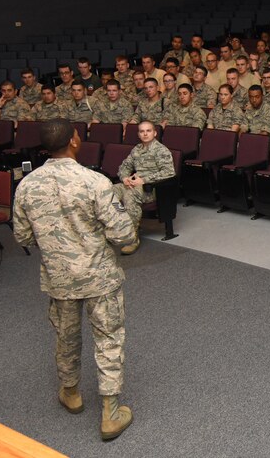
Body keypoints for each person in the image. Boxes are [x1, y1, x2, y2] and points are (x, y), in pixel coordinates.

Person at [12, 119, 136, 440]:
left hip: (60, 279)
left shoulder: (27, 185)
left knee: (66, 337)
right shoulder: (94, 182)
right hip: (99, 277)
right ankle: (110, 412)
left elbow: (22, 237)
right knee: (108, 338)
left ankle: (71, 393)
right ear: (74, 141)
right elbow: (124, 234)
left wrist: (54, 244)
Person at [113, 121, 175, 254]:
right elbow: (125, 166)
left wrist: (144, 180)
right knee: (109, 192)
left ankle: (132, 238)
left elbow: (169, 172)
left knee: (130, 196)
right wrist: (125, 178)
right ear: (139, 134)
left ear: (155, 133)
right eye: (142, 131)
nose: (145, 134)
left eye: (148, 131)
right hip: (134, 183)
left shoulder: (161, 150)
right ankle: (120, 225)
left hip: (152, 188)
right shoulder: (136, 149)